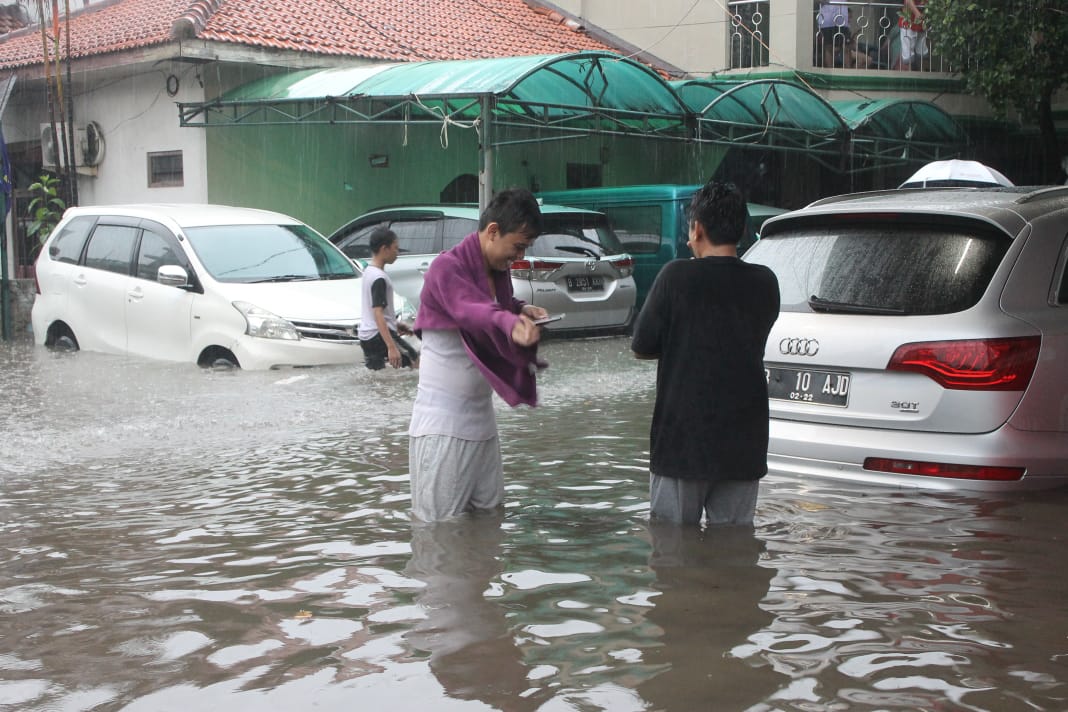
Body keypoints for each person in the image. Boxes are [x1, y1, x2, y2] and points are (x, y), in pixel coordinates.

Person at [630, 180, 780, 527]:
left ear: (697, 229)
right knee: (734, 550)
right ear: (743, 230)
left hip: (683, 443)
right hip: (745, 442)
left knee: (672, 550)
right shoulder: (766, 282)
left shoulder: (675, 277)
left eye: (689, 230)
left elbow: (642, 346)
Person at [407, 188, 549, 522]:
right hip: (443, 427)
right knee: (438, 530)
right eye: (518, 246)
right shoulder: (447, 267)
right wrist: (508, 321)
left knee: (489, 521)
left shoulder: (498, 275)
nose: (518, 256)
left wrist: (521, 309)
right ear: (492, 231)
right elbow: (468, 308)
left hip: (482, 424)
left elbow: (493, 305)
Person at [357, 227, 419, 370]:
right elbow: (377, 312)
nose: (397, 253)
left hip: (367, 337)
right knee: (414, 360)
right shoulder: (379, 278)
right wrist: (391, 346)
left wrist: (395, 324)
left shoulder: (368, 272)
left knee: (378, 378)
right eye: (395, 248)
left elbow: (374, 311)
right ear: (385, 249)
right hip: (378, 336)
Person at [895, 0, 927, 70]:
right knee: (908, 52)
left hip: (920, 22)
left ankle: (924, 73)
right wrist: (917, 13)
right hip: (908, 22)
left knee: (921, 50)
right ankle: (909, 75)